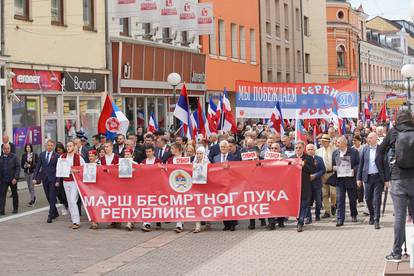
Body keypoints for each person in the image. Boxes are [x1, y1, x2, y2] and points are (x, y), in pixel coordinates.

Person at [379, 109, 414, 262]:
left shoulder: (394, 132)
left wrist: (385, 176)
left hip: (398, 179)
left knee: (399, 217)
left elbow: (379, 153)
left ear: (398, 119)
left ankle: (397, 253)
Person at [357, 132, 389, 230]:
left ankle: (376, 220)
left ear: (375, 138)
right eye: (368, 138)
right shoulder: (364, 149)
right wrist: (358, 178)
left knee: (377, 200)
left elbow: (386, 165)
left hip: (378, 178)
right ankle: (371, 214)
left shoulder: (381, 150)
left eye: (370, 138)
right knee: (368, 199)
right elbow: (361, 164)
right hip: (367, 178)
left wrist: (387, 180)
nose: (368, 139)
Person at [332, 136, 360, 227]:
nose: (337, 144)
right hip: (340, 179)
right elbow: (333, 165)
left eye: (338, 142)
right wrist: (335, 168)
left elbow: (358, 164)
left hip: (350, 179)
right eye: (336, 143)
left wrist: (353, 170)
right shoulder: (335, 153)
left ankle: (354, 214)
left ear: (344, 143)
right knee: (340, 199)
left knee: (352, 199)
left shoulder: (354, 152)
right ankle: (340, 219)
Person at [59, 141, 85, 229]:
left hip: (75, 181)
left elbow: (83, 168)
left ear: (74, 147)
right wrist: (70, 170)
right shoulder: (62, 157)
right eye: (67, 146)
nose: (68, 147)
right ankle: (74, 220)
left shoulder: (79, 157)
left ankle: (77, 222)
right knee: (69, 201)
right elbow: (59, 169)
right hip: (65, 181)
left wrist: (76, 171)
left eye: (70, 146)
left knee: (73, 200)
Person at [212, 140, 237, 231]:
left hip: (230, 183)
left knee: (231, 203)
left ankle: (233, 224)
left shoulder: (233, 157)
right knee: (223, 203)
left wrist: (229, 166)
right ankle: (226, 224)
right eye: (221, 147)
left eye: (224, 147)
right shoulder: (216, 158)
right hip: (220, 184)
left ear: (228, 148)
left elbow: (236, 170)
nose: (223, 149)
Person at [33, 140, 60, 222]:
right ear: (45, 146)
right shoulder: (42, 155)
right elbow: (38, 167)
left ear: (54, 146)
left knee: (52, 197)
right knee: (48, 197)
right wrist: (34, 178)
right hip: (44, 179)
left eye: (51, 145)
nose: (49, 147)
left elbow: (59, 169)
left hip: (53, 179)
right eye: (48, 145)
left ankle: (50, 215)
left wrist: (58, 180)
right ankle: (55, 212)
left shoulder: (57, 156)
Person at [294, 141, 316, 232]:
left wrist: (304, 166)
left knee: (303, 204)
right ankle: (299, 218)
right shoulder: (291, 158)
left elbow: (312, 170)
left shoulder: (309, 158)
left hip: (304, 185)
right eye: (296, 148)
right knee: (296, 205)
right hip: (294, 186)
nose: (298, 149)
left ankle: (300, 222)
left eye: (300, 147)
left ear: (303, 148)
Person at [140, 146, 162, 232]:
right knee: (147, 204)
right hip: (146, 186)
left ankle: (158, 220)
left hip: (157, 186)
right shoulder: (144, 161)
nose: (148, 153)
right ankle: (147, 223)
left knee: (157, 204)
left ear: (153, 152)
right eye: (147, 152)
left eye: (149, 151)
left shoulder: (158, 161)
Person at [166, 143, 187, 233]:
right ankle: (177, 221)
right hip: (172, 183)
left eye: (172, 148)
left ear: (177, 149)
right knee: (174, 203)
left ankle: (179, 223)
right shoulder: (170, 159)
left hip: (183, 184)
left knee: (181, 204)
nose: (171, 150)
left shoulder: (184, 158)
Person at [316, 134, 336, 218]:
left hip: (332, 173)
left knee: (333, 193)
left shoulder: (335, 150)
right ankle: (327, 211)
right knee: (325, 194)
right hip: (323, 174)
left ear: (329, 141)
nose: (323, 142)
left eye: (325, 141)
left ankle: (333, 205)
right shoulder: (318, 151)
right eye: (322, 141)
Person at [305, 143, 326, 224]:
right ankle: (308, 217)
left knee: (318, 201)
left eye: (312, 149)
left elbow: (323, 170)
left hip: (317, 183)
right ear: (306, 151)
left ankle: (317, 214)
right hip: (307, 184)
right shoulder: (304, 159)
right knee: (307, 201)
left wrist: (315, 175)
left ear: (314, 150)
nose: (310, 151)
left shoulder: (319, 159)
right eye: (308, 150)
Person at [0, 144, 20, 215]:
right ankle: (1, 210)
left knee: (14, 194)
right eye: (5, 148)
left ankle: (15, 208)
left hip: (13, 180)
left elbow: (18, 167)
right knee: (2, 195)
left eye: (8, 148)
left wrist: (15, 178)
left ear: (10, 148)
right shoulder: (1, 158)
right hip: (3, 180)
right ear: (3, 149)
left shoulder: (14, 157)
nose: (6, 150)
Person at [54, 143, 68, 216]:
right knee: (58, 193)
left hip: (65, 176)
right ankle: (63, 204)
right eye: (57, 150)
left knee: (64, 192)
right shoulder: (55, 156)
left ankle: (66, 205)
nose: (59, 152)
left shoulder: (65, 156)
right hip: (57, 176)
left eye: (60, 150)